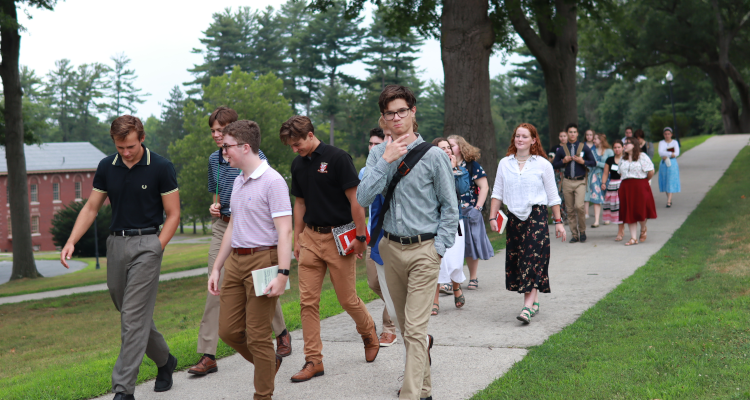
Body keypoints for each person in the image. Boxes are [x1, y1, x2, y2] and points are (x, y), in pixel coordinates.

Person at [60, 115, 180, 400]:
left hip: (148, 244)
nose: (126, 152)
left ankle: (123, 390)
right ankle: (165, 361)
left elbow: (173, 214)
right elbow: (91, 207)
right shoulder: (106, 166)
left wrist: (157, 247)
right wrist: (71, 240)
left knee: (132, 319)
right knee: (130, 313)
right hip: (116, 245)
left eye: (130, 146)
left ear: (142, 137)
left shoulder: (161, 166)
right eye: (120, 147)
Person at [358, 84, 458, 400]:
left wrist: (439, 249)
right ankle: (425, 390)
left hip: (424, 250)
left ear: (413, 112)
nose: (397, 117)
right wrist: (386, 160)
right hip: (389, 249)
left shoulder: (433, 156)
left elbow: (450, 207)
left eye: (403, 111)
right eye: (391, 113)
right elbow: (362, 197)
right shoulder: (377, 154)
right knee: (407, 331)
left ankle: (410, 394)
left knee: (415, 330)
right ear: (384, 118)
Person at [190, 107, 291, 377]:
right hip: (229, 233)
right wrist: (217, 267)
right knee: (229, 323)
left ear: (243, 144)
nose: (218, 139)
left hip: (262, 248)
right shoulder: (224, 167)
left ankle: (277, 341)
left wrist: (283, 272)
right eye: (213, 131)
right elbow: (221, 199)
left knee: (258, 326)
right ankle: (222, 354)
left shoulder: (267, 175)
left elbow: (284, 231)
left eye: (222, 134)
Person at [280, 115, 379, 383]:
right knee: (308, 303)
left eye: (297, 143)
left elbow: (355, 199)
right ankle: (314, 360)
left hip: (340, 238)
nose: (294, 149)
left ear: (311, 135)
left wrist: (361, 235)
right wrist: (297, 237)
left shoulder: (337, 158)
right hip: (311, 238)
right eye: (290, 145)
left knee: (347, 299)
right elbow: (299, 203)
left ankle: (369, 331)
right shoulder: (297, 164)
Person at [489, 123, 566, 324]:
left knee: (531, 259)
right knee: (519, 259)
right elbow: (497, 192)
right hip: (514, 217)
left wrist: (558, 221)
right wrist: (492, 216)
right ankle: (535, 300)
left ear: (533, 140)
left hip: (537, 216)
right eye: (517, 136)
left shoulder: (542, 164)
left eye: (524, 136)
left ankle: (526, 307)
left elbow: (553, 196)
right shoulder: (505, 163)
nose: (520, 139)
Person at [359, 127, 398, 346]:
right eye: (370, 144)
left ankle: (389, 327)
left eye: (378, 144)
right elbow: (360, 203)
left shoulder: (394, 165)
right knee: (374, 282)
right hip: (371, 235)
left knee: (389, 284)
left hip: (392, 235)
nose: (373, 148)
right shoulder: (364, 172)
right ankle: (403, 309)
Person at [447, 135, 493, 290]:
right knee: (451, 246)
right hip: (450, 212)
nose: (449, 148)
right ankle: (451, 281)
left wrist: (477, 208)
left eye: (451, 145)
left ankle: (473, 277)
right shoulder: (443, 164)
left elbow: (484, 187)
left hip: (469, 210)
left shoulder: (472, 165)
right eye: (446, 146)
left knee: (470, 244)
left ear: (461, 147)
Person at [431, 137, 470, 315]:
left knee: (454, 260)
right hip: (435, 221)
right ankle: (435, 299)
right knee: (437, 261)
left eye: (449, 147)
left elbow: (462, 190)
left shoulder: (461, 171)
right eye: (442, 148)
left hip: (456, 221)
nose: (447, 151)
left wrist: (454, 169)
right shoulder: (430, 170)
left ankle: (456, 287)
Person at [552, 123, 596, 243]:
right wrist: (563, 161)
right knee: (570, 209)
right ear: (567, 134)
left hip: (580, 181)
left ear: (577, 133)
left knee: (579, 206)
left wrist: (583, 161)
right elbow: (554, 164)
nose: (572, 134)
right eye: (570, 132)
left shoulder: (584, 147)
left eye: (574, 132)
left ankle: (582, 231)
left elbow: (593, 162)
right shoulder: (562, 149)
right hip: (567, 181)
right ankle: (574, 234)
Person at [618, 137, 657, 245]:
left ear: (634, 145)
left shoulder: (642, 156)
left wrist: (644, 181)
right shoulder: (623, 159)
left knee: (641, 210)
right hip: (626, 187)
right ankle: (633, 238)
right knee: (630, 211)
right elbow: (620, 172)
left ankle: (643, 228)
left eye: (627, 143)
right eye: (624, 144)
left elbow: (651, 171)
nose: (624, 146)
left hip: (640, 185)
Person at [601, 140, 626, 241]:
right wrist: (603, 183)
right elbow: (606, 173)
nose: (617, 149)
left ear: (623, 147)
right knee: (616, 209)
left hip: (624, 184)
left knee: (622, 208)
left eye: (619, 147)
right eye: (615, 147)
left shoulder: (626, 159)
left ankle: (620, 231)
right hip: (613, 185)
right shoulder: (609, 160)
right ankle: (621, 229)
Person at [588, 133, 614, 228]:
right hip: (595, 177)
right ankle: (596, 221)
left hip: (606, 176)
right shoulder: (592, 151)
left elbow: (611, 165)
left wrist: (598, 163)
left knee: (606, 196)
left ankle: (607, 218)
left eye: (595, 139)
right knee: (596, 198)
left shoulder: (609, 151)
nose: (593, 140)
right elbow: (590, 164)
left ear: (601, 140)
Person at [658, 127, 681, 207]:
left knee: (671, 180)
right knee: (665, 180)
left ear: (671, 134)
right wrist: (671, 153)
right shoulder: (661, 143)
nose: (667, 135)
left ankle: (669, 201)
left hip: (672, 162)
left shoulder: (675, 142)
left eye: (668, 134)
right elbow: (660, 153)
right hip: (664, 163)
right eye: (665, 134)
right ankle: (669, 198)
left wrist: (667, 154)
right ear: (663, 135)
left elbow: (677, 153)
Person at [549, 131, 568, 225]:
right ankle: (557, 216)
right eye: (561, 136)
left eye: (564, 136)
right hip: (557, 173)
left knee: (566, 195)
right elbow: (550, 159)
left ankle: (567, 215)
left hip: (567, 173)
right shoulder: (555, 148)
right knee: (558, 194)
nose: (563, 138)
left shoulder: (570, 147)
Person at [583, 129, 596, 217]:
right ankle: (586, 212)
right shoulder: (582, 146)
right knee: (586, 191)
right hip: (586, 169)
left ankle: (596, 214)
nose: (589, 136)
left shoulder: (596, 146)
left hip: (596, 170)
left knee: (595, 190)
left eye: (590, 135)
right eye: (587, 135)